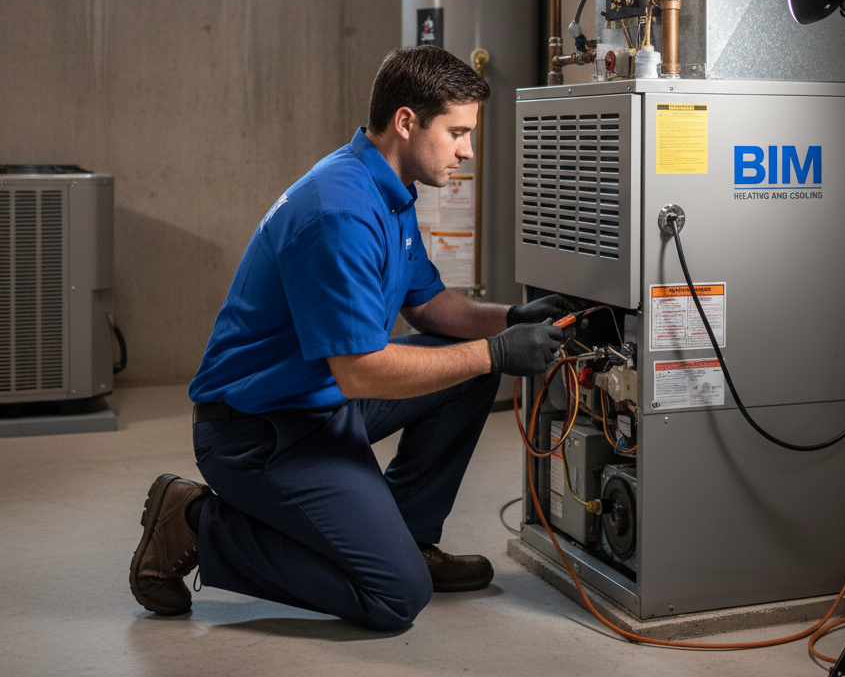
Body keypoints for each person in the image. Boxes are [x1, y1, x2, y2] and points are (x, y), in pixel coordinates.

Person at [128, 45, 579, 629]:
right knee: (395, 598)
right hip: (260, 431)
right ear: (407, 122)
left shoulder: (387, 189)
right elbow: (361, 370)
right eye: (459, 132)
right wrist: (495, 351)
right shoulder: (340, 210)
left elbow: (429, 306)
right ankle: (194, 521)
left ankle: (408, 536)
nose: (468, 150)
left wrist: (510, 319)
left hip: (320, 402)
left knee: (471, 370)